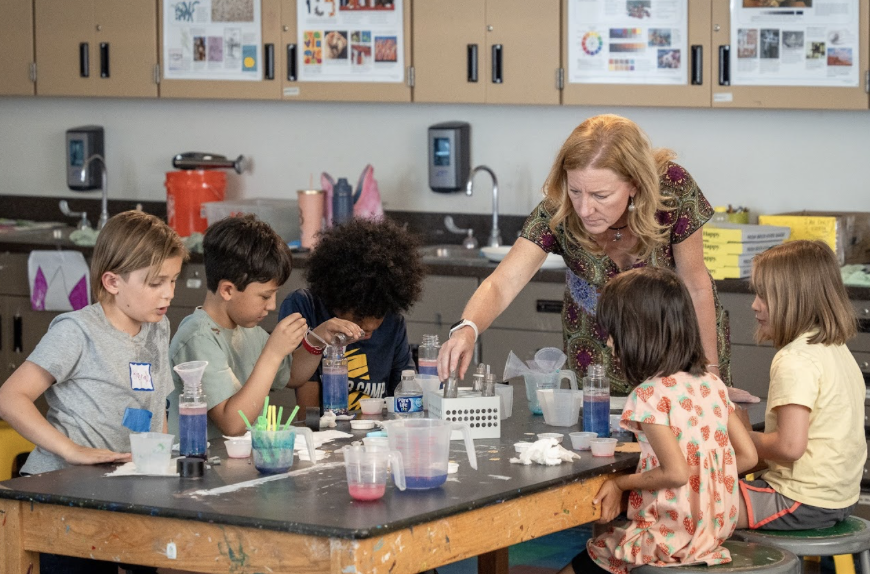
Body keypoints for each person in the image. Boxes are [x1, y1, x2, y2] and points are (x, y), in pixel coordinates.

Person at [438, 114, 730, 395]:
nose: (584, 209)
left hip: (675, 349)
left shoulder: (672, 189)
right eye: (576, 191)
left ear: (635, 185)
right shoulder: (558, 210)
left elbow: (695, 284)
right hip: (595, 354)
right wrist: (467, 328)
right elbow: (502, 283)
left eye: (600, 196)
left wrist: (710, 377)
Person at [0, 210, 188, 574]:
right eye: (155, 283)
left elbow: (156, 405)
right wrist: (72, 451)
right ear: (113, 281)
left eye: (174, 280)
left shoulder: (158, 326)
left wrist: (158, 467)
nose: (168, 293)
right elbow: (9, 397)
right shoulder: (77, 332)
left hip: (125, 488)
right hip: (63, 493)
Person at [560, 267, 757, 574]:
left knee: (589, 559)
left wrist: (620, 483)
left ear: (638, 333)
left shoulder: (649, 395)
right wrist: (702, 483)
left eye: (615, 333)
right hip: (714, 532)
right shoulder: (712, 385)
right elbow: (748, 456)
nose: (611, 344)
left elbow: (676, 473)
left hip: (670, 541)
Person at [736, 240, 866, 530]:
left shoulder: (795, 358)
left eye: (764, 295)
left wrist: (736, 436)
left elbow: (789, 445)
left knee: (683, 499)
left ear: (794, 299)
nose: (754, 305)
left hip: (798, 501)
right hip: (838, 499)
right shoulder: (835, 349)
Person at [168, 215, 309, 439]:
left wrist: (321, 341)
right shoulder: (198, 337)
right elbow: (233, 423)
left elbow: (291, 375)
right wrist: (272, 353)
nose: (272, 306)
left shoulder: (247, 329)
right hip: (204, 466)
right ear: (227, 290)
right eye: (265, 296)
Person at [278, 217, 424, 411]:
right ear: (338, 299)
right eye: (359, 317)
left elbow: (404, 396)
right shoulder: (305, 308)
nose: (370, 327)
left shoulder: (393, 322)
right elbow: (308, 414)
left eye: (379, 315)